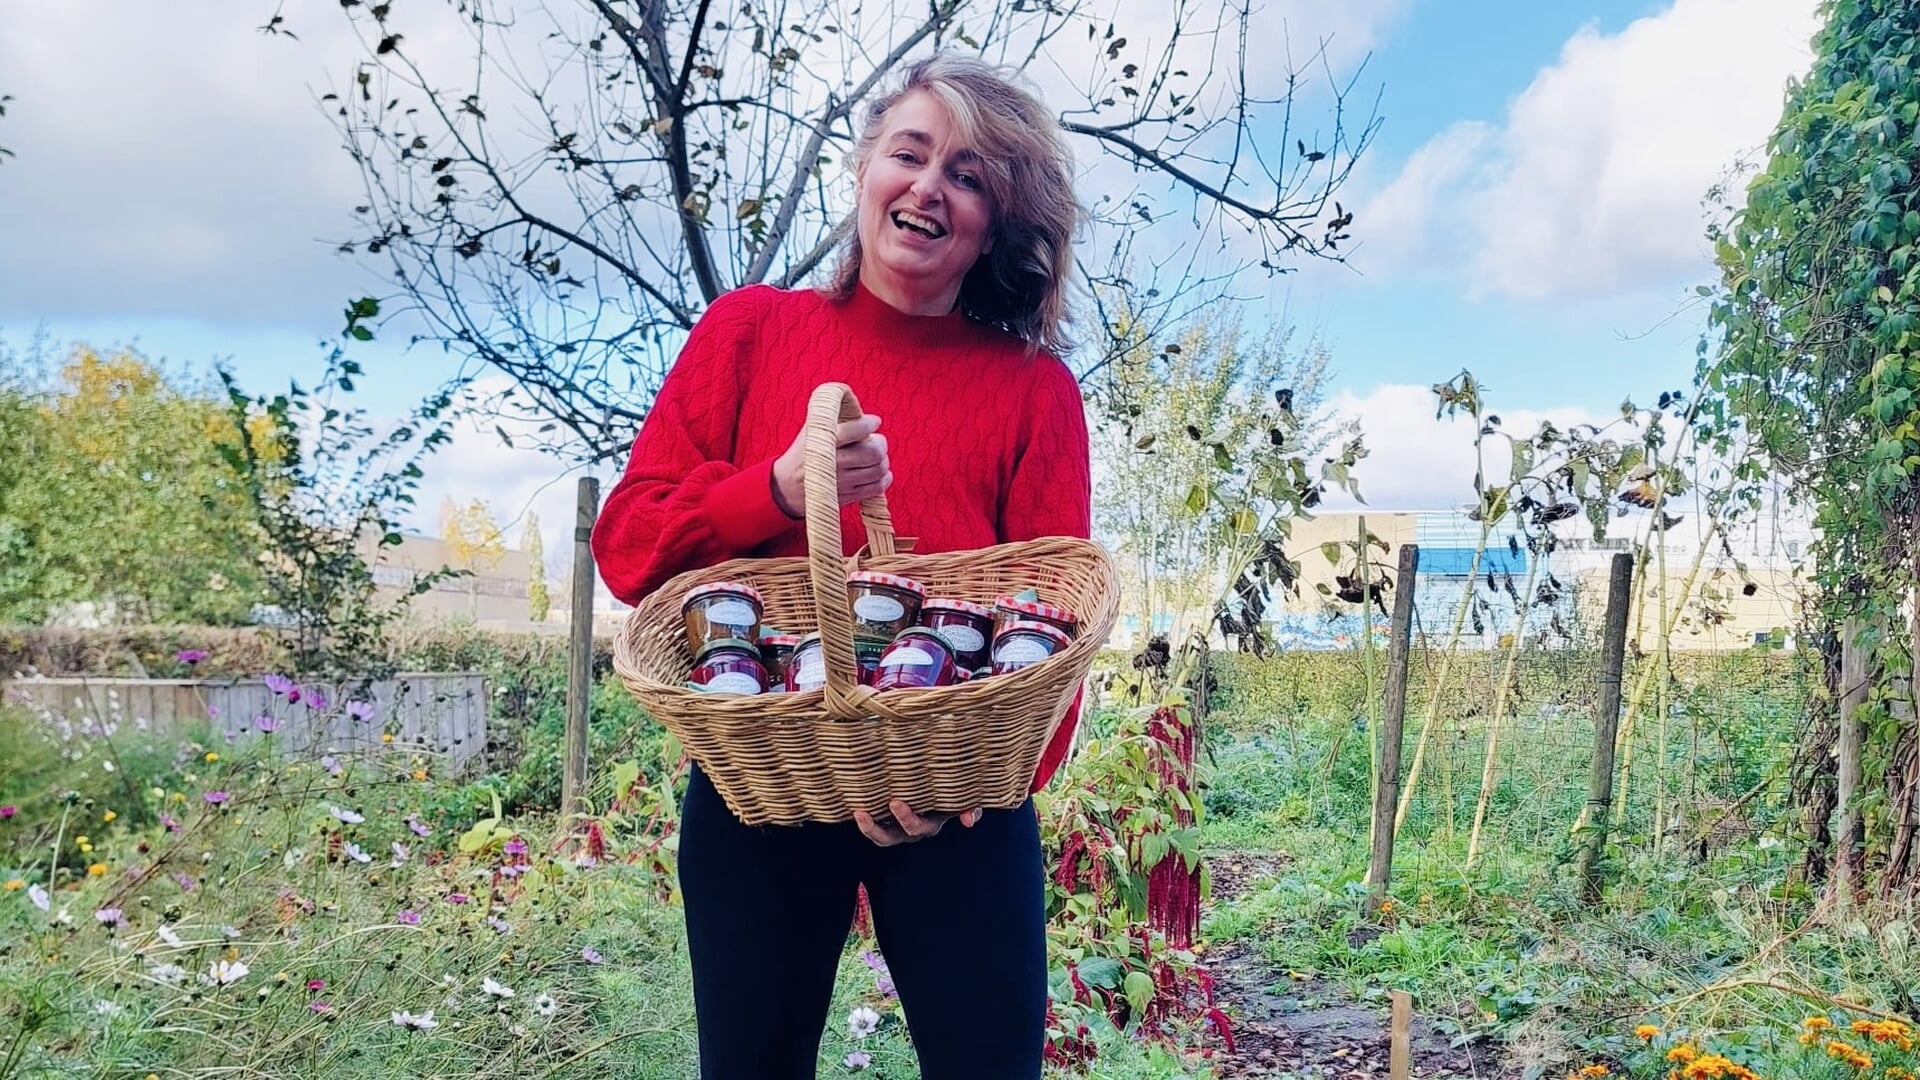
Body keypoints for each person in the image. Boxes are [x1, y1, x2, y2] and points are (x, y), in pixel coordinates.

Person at [590, 52, 1089, 1079]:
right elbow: (629, 547)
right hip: (763, 785)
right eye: (910, 153)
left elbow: (1056, 626)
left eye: (968, 177)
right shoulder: (749, 334)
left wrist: (969, 790)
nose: (929, 187)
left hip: (955, 793)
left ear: (995, 223)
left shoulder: (1034, 392)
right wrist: (774, 489)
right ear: (863, 169)